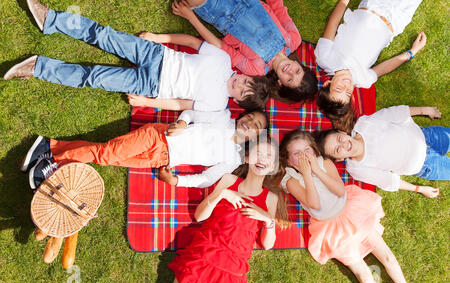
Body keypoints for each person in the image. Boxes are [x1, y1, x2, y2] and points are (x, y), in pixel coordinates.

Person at [4, 0, 270, 112]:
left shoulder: (216, 104)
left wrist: (147, 102)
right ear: (247, 75)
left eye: (244, 92)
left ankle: (39, 67)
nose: (241, 85)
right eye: (247, 82)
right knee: (102, 35)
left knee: (94, 77)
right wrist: (157, 37)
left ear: (237, 101)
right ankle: (51, 20)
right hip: (155, 55)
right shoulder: (223, 60)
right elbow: (191, 41)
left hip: (150, 85)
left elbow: (179, 105)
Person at [278, 129, 428, 283]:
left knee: (387, 256)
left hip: (353, 213)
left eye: (307, 150)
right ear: (289, 161)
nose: (304, 156)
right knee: (363, 273)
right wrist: (306, 174)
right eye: (297, 154)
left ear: (314, 150)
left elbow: (340, 191)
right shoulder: (291, 181)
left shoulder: (325, 163)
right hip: (331, 229)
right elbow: (314, 203)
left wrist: (317, 171)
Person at [21, 108, 269, 190]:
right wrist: (182, 122)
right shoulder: (223, 118)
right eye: (251, 117)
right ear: (243, 115)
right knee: (105, 154)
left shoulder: (233, 160)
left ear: (256, 137)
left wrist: (176, 181)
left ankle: (50, 147)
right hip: (159, 137)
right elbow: (192, 113)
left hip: (160, 160)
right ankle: (51, 165)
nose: (250, 123)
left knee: (107, 157)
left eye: (257, 126)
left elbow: (207, 178)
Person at [167, 137, 289, 283]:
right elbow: (199, 216)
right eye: (257, 153)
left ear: (272, 166)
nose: (262, 159)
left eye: (268, 156)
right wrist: (222, 194)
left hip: (232, 269)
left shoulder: (270, 199)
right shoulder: (229, 180)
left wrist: (268, 220)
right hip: (204, 255)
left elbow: (267, 244)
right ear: (248, 158)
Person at [171, 0, 318, 104]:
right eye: (297, 71)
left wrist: (190, 17)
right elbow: (277, 5)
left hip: (219, 11)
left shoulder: (257, 69)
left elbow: (220, 45)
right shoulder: (293, 39)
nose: (290, 72)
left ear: (280, 83)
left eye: (289, 79)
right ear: (298, 64)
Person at [315, 0, 426, 121]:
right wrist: (412, 52)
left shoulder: (325, 58)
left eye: (339, 89)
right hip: (397, 19)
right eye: (348, 93)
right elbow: (384, 68)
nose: (346, 86)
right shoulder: (362, 80)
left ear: (327, 84)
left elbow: (333, 22)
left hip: (372, 5)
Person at [314, 105, 448, 198]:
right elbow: (389, 181)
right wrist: (420, 189)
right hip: (426, 166)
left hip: (427, 136)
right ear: (339, 159)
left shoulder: (364, 124)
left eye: (339, 139)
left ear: (342, 132)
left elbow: (395, 113)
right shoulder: (357, 169)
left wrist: (425, 110)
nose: (343, 144)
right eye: (338, 150)